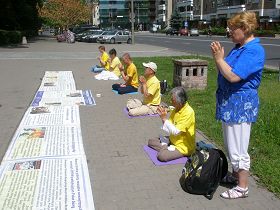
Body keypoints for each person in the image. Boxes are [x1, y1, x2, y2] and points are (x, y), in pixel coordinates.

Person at [210, 11, 265, 199]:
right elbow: (227, 70)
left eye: (233, 29)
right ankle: (235, 176)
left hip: (241, 105)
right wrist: (220, 59)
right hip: (229, 103)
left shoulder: (254, 50)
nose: (230, 32)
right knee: (230, 144)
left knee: (238, 147)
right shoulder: (239, 47)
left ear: (245, 28)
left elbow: (233, 76)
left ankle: (242, 187)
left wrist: (218, 59)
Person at [148, 87, 195, 162]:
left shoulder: (189, 112)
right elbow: (168, 127)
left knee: (162, 156)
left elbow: (176, 132)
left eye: (172, 100)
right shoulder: (176, 109)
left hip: (182, 146)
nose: (170, 101)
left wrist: (164, 118)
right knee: (151, 141)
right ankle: (166, 147)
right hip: (172, 140)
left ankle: (165, 148)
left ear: (179, 102)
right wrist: (162, 116)